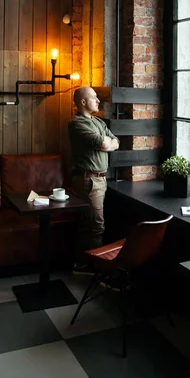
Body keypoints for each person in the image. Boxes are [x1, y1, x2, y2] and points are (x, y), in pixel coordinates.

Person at [68, 86, 119, 274]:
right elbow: (105, 143)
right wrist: (107, 143)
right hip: (88, 181)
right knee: (97, 225)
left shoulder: (98, 122)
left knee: (87, 223)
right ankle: (96, 270)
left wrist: (108, 143)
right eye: (94, 98)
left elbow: (116, 142)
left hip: (100, 181)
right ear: (83, 102)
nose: (98, 101)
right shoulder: (77, 124)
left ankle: (80, 264)